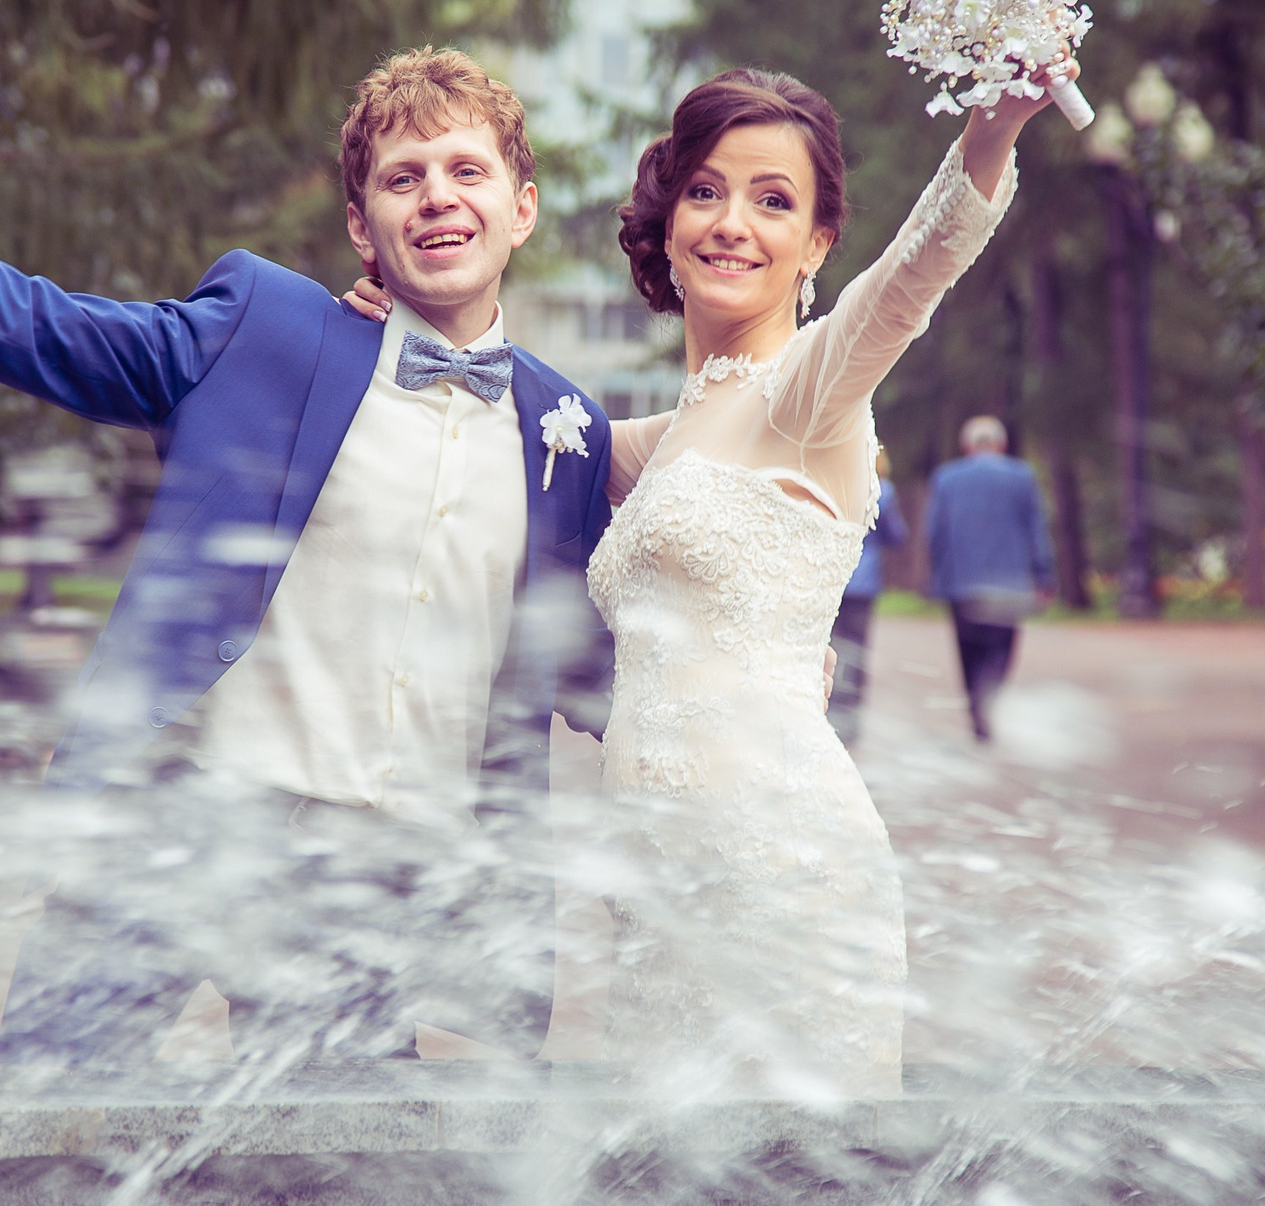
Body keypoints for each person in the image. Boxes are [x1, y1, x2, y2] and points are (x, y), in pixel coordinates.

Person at [0, 36, 615, 1063]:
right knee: (43, 1125)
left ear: (520, 207)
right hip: (188, 818)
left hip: (385, 875)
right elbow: (24, 323)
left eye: (466, 171)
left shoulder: (563, 426)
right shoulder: (268, 330)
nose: (436, 197)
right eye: (403, 178)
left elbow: (616, 637)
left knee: (328, 1188)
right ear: (361, 224)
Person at [350, 59, 1066, 1095]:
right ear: (670, 221)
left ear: (817, 243)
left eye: (774, 201)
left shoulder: (808, 393)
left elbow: (907, 285)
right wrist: (397, 317)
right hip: (655, 884)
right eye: (706, 190)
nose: (733, 222)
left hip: (777, 868)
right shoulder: (663, 433)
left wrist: (991, 136)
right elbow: (498, 417)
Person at [921, 414, 1055, 742]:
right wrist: (1044, 575)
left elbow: (935, 531)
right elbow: (1036, 529)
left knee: (967, 650)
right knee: (1001, 649)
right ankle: (989, 699)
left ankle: (977, 707)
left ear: (967, 446)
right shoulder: (1021, 477)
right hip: (1010, 583)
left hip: (962, 583)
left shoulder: (947, 478)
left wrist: (936, 575)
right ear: (1002, 444)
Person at [828, 447, 904, 748]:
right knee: (856, 648)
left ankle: (827, 708)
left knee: (827, 646)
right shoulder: (883, 491)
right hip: (864, 581)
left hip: (832, 577)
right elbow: (896, 535)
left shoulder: (832, 483)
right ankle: (850, 720)